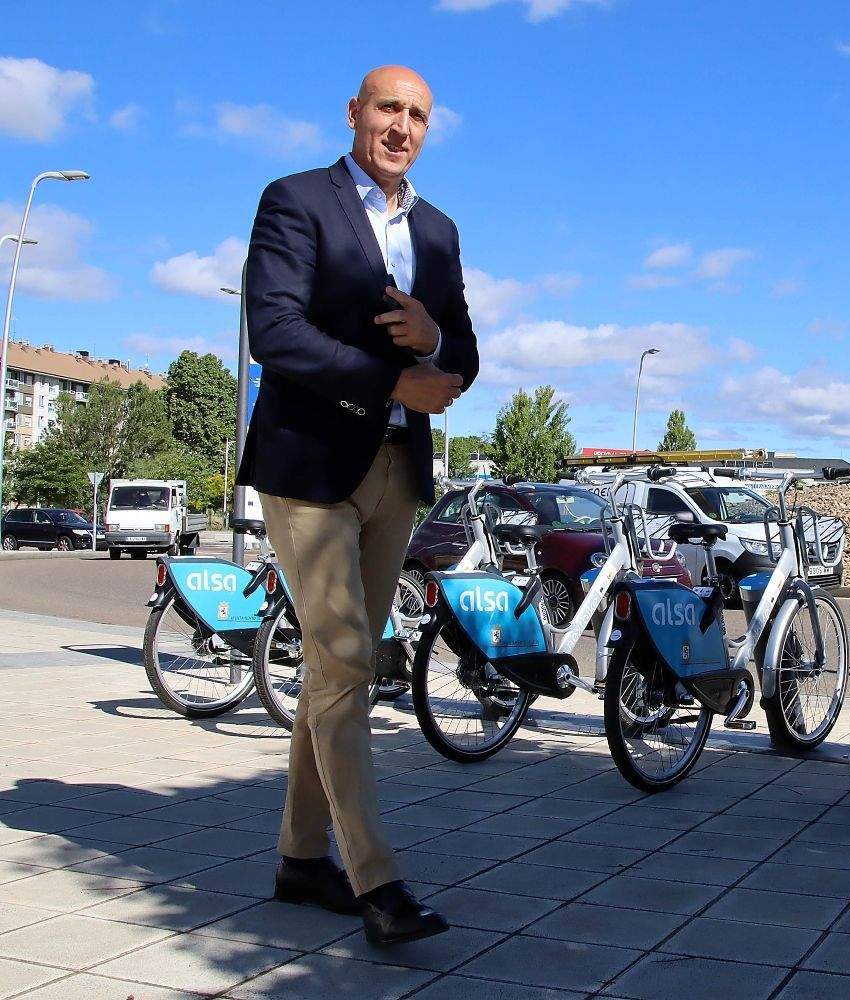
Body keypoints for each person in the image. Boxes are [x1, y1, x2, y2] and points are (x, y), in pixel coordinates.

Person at [237, 65, 477, 946]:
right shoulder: (296, 200)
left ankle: (301, 859)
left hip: (396, 471)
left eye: (418, 114)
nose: (401, 125)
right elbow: (276, 331)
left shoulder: (440, 231)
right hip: (309, 460)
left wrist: (437, 337)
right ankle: (377, 880)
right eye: (388, 108)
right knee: (345, 658)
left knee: (341, 668)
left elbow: (464, 354)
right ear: (353, 113)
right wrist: (392, 378)